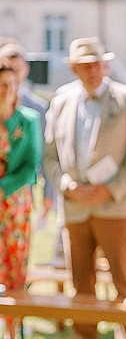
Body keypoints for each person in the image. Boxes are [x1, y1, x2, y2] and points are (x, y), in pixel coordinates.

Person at [44, 37, 126, 339]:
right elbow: (50, 156)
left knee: (124, 280)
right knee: (81, 281)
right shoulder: (61, 100)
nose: (90, 71)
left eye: (95, 64)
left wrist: (111, 189)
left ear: (105, 66)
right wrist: (65, 185)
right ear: (74, 68)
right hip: (74, 208)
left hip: (115, 206)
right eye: (83, 65)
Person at [0, 58, 42, 339]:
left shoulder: (27, 120)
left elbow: (31, 167)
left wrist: (3, 188)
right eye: (1, 84)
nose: (6, 90)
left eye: (10, 84)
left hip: (15, 204)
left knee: (14, 270)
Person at [0, 42, 56, 218]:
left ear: (25, 70)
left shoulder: (36, 110)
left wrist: (49, 192)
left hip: (18, 193)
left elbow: (43, 154)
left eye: (16, 69)